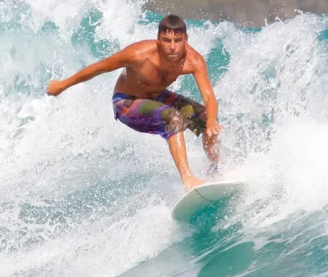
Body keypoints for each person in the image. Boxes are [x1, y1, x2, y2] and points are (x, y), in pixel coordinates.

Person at [46, 14, 222, 191]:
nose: (172, 47)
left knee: (206, 118)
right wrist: (62, 85)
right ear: (158, 40)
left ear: (186, 39)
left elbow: (209, 98)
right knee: (173, 118)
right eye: (166, 40)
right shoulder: (138, 54)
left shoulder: (194, 61)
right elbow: (99, 67)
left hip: (157, 96)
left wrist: (212, 123)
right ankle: (189, 179)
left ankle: (216, 168)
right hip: (127, 103)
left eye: (178, 40)